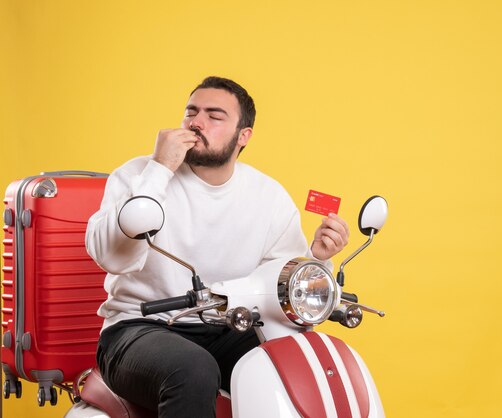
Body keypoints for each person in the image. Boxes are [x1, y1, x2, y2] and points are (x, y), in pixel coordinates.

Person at [85, 76, 350, 417]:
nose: (196, 123)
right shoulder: (137, 175)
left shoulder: (268, 196)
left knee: (301, 358)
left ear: (243, 136)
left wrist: (317, 259)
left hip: (229, 327)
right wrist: (160, 169)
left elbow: (281, 286)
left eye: (214, 115)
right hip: (139, 328)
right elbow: (111, 257)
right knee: (193, 368)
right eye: (191, 112)